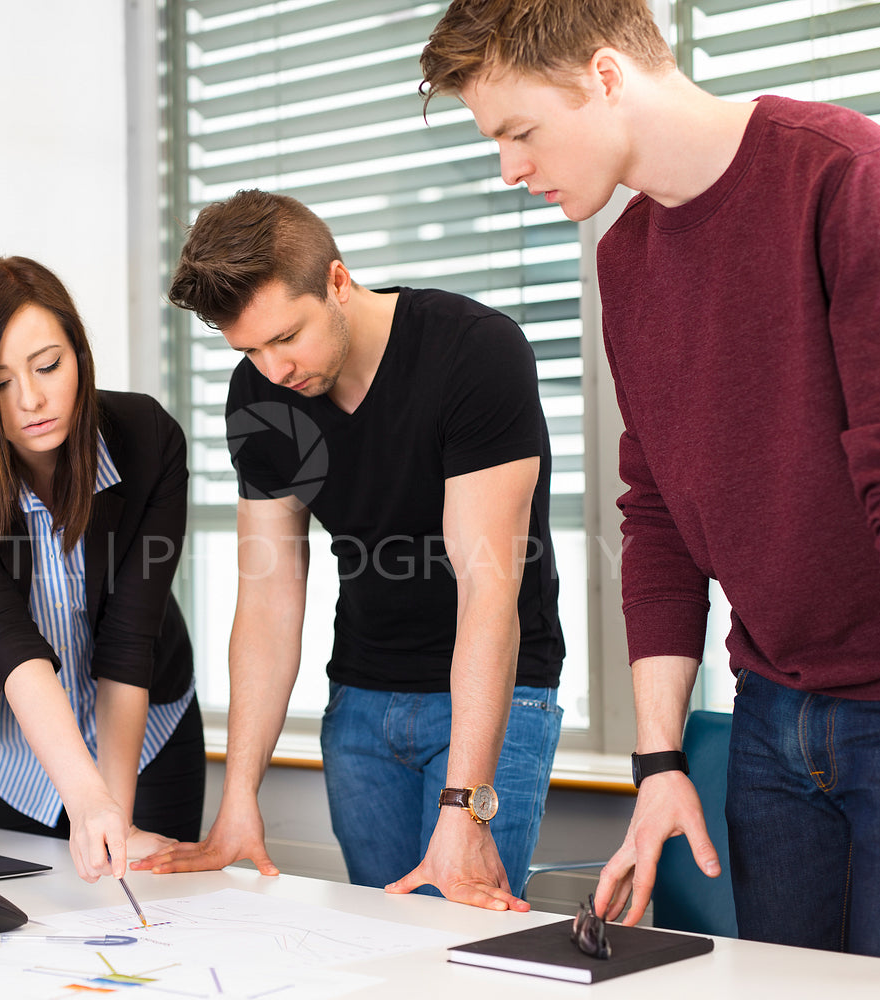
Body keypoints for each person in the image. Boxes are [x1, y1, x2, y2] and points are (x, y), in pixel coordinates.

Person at [421, 0, 880, 987]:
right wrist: (658, 768)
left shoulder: (847, 176)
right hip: (774, 716)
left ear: (606, 76)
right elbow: (654, 514)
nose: (510, 169)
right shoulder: (627, 258)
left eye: (519, 132)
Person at [135, 189, 566, 911]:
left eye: (286, 337)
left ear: (338, 282)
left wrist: (462, 806)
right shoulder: (261, 399)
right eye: (248, 350)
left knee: (463, 945)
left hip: (499, 695)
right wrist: (238, 797)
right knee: (384, 942)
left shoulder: (471, 351)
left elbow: (487, 589)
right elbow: (268, 600)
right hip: (362, 703)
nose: (272, 369)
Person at [0, 256, 205, 884]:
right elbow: (2, 636)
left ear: (79, 353)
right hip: (14, 750)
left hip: (146, 731)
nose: (32, 400)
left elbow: (130, 637)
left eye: (48, 366)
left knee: (159, 914)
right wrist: (82, 794)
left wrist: (111, 811)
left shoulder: (149, 440)